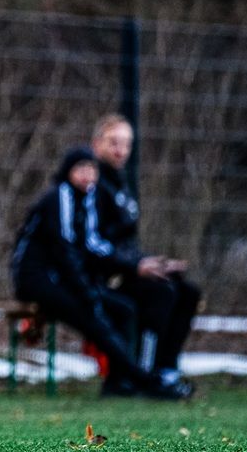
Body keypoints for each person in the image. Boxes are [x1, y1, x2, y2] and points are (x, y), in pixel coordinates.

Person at [11, 147, 186, 399]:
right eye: (80, 169)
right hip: (38, 280)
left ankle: (120, 381)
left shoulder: (86, 199)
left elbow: (94, 246)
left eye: (91, 169)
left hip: (64, 279)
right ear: (67, 172)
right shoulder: (59, 197)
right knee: (90, 314)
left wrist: (136, 263)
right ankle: (144, 380)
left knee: (123, 309)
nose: (87, 175)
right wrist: (85, 290)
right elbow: (64, 249)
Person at [86, 114, 201, 388]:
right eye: (114, 142)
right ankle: (143, 373)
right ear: (96, 144)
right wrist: (135, 266)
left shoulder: (120, 184)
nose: (120, 150)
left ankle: (166, 369)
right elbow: (93, 245)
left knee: (187, 290)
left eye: (126, 144)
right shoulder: (92, 185)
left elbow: (124, 243)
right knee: (162, 292)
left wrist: (151, 262)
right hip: (98, 278)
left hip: (122, 270)